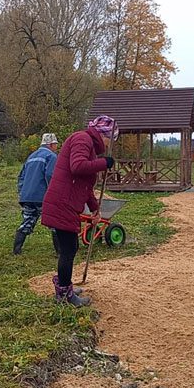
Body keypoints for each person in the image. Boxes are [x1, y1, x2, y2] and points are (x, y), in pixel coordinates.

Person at [41, 115, 117, 307]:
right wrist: (104, 163)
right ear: (103, 135)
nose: (110, 144)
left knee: (70, 248)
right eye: (111, 139)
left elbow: (85, 186)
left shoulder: (89, 146)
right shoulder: (82, 139)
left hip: (66, 203)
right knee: (69, 249)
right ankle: (64, 294)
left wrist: (95, 209)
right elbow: (77, 167)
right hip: (62, 203)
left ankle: (65, 286)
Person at [14, 133, 60, 255]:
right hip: (42, 196)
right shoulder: (51, 156)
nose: (56, 147)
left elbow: (21, 176)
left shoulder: (31, 156)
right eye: (55, 144)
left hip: (27, 197)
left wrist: (22, 193)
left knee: (27, 221)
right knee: (54, 223)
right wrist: (53, 193)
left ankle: (16, 250)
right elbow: (50, 175)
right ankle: (60, 252)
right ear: (51, 144)